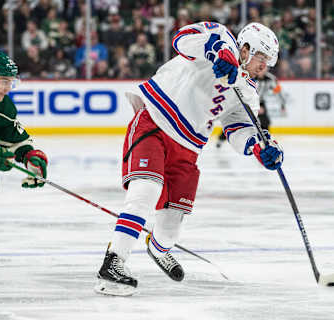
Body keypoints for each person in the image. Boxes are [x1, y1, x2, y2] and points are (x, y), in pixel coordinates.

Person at [95, 22, 283, 296]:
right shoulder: (220, 37)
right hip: (155, 122)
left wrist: (259, 148)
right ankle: (113, 263)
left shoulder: (248, 91)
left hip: (188, 149)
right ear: (246, 48)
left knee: (170, 228)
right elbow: (181, 39)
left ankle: (158, 248)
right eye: (262, 58)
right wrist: (219, 52)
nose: (265, 66)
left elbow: (238, 129)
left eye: (269, 61)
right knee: (145, 190)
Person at [0, 51, 48, 210]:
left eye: (11, 82)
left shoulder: (2, 109)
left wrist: (29, 158)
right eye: (4, 81)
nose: (8, 88)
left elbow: (16, 140)